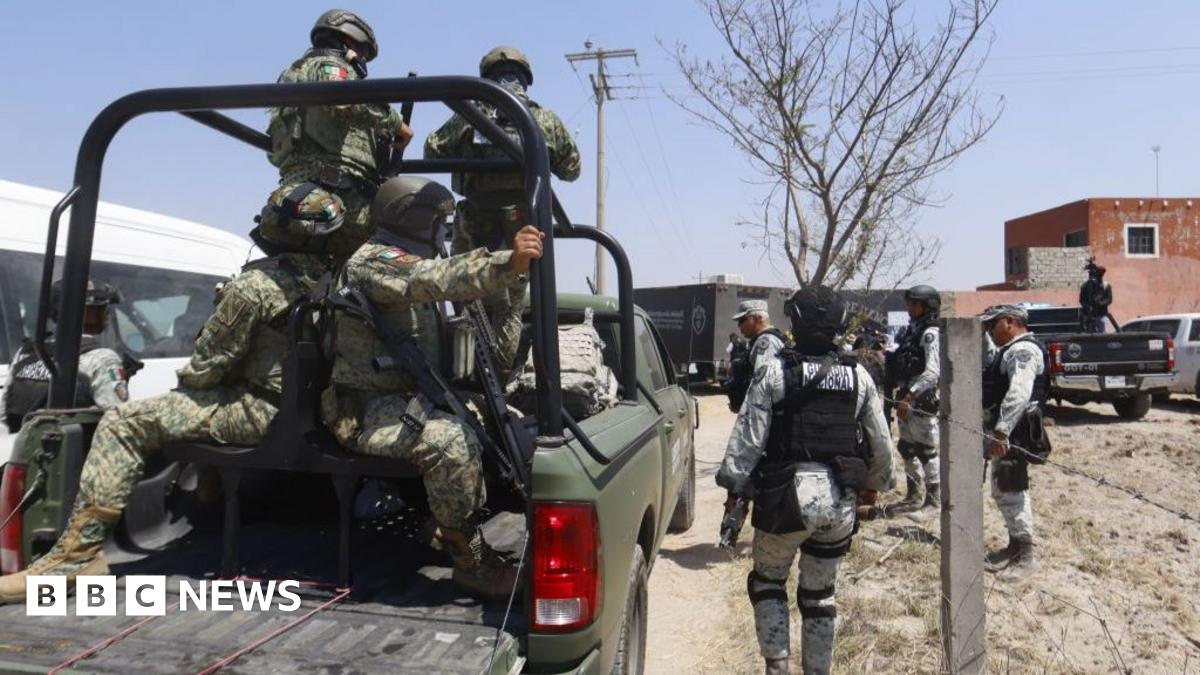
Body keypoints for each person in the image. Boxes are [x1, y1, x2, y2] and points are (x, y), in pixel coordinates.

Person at [0, 190, 339, 603]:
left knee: (125, 422)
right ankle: (210, 491)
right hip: (313, 412)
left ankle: (76, 559)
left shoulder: (257, 285)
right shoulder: (337, 280)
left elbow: (209, 363)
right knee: (198, 403)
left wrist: (190, 384)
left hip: (259, 413)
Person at [322, 176, 543, 597]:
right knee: (449, 442)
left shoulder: (414, 263)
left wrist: (514, 279)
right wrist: (504, 263)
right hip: (364, 408)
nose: (443, 232)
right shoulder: (374, 261)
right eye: (437, 223)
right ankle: (472, 565)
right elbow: (432, 277)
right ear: (413, 220)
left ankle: (447, 521)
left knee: (496, 420)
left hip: (406, 399)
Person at [717, 286, 895, 675]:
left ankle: (777, 668)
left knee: (767, 585)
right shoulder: (859, 377)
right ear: (840, 324)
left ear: (793, 321)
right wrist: (875, 486)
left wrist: (733, 491)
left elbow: (746, 443)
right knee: (819, 597)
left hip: (784, 502)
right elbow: (881, 447)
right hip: (838, 505)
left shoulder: (773, 372)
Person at [423, 46, 581, 367]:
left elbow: (432, 151)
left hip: (474, 224)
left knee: (468, 298)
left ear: (487, 78)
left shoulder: (469, 115)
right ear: (526, 78)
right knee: (510, 304)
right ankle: (500, 372)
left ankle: (473, 370)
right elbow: (572, 169)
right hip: (523, 225)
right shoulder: (543, 119)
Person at [268, 9, 413, 257]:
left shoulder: (295, 72)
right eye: (364, 52)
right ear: (349, 41)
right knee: (397, 256)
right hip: (336, 192)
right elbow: (342, 96)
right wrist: (397, 124)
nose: (364, 60)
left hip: (306, 190)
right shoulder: (329, 65)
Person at [2, 279, 133, 434]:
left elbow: (5, 412)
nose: (106, 314)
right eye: (98, 308)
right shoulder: (102, 358)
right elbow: (119, 421)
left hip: (24, 450)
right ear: (79, 312)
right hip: (76, 455)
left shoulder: (25, 351)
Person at [979, 304, 1050, 581]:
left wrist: (1002, 432)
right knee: (1004, 488)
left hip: (1015, 432)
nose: (988, 331)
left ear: (1010, 322)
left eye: (992, 325)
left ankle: (1026, 556)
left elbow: (1019, 393)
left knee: (1012, 489)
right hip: (1009, 430)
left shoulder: (1022, 351)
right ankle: (1014, 547)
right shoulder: (1009, 350)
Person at [888, 285, 942, 515]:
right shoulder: (911, 330)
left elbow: (933, 372)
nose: (909, 308)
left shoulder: (931, 333)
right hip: (905, 397)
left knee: (926, 450)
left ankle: (933, 501)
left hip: (922, 399)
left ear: (927, 306)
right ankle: (913, 496)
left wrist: (910, 395)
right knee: (906, 447)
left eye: (914, 304)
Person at [723, 300, 787, 412]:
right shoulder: (759, 341)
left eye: (742, 320)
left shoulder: (766, 342)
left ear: (757, 318)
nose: (739, 325)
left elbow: (763, 389)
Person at [1079, 258, 1114, 333]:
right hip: (1089, 316)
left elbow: (1109, 299)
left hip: (1101, 314)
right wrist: (1087, 306)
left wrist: (1100, 303)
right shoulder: (1085, 286)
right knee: (1089, 334)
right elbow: (1082, 300)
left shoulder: (1106, 285)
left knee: (1102, 332)